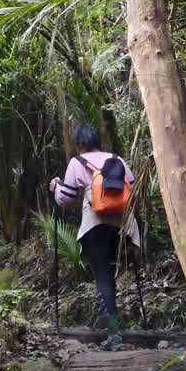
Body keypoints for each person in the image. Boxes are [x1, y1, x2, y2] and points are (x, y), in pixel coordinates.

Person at [49, 123, 138, 351]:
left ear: (79, 143)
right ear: (98, 140)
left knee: (103, 277)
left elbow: (65, 199)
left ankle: (115, 334)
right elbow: (134, 188)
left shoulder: (77, 163)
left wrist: (55, 187)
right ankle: (116, 327)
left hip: (96, 225)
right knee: (110, 274)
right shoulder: (116, 159)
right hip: (123, 225)